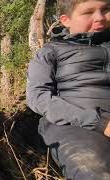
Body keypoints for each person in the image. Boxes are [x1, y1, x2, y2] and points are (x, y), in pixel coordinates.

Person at [26, 0, 110, 179]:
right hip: (74, 125)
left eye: (106, 10)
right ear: (66, 20)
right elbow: (38, 96)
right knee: (93, 170)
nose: (100, 18)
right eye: (88, 12)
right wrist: (100, 123)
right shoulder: (51, 51)